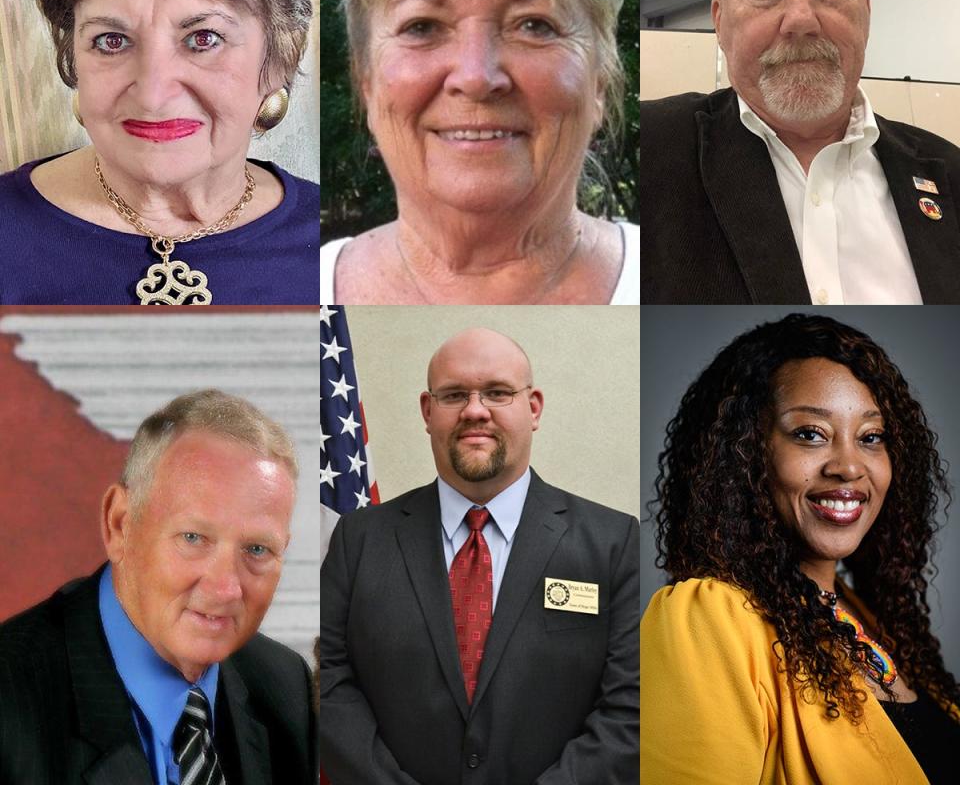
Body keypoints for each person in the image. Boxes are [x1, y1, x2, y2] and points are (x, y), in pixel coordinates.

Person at [0, 0, 319, 305]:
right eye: (111, 39)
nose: (152, 92)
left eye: (203, 38)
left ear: (279, 54)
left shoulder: (337, 249)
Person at [320, 0, 637, 304]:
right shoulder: (292, 289)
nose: (475, 76)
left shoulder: (686, 283)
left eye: (533, 25)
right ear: (365, 80)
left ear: (600, 78)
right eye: (422, 26)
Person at [641, 314, 960, 784]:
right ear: (746, 453)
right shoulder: (708, 617)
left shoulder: (866, 618)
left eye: (871, 437)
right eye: (810, 433)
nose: (849, 467)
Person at [316, 327, 640, 783]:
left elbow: (630, 707)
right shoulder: (359, 539)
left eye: (497, 393)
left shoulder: (614, 542)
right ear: (428, 412)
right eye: (453, 395)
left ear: (533, 407)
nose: (474, 411)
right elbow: (330, 682)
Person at [639, 0, 960, 304]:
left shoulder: (950, 174)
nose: (802, 20)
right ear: (720, 20)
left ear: (865, 11)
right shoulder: (650, 149)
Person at [0, 390, 316, 784]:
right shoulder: (11, 702)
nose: (225, 589)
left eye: (257, 549)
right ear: (119, 523)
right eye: (193, 538)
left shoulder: (285, 689)